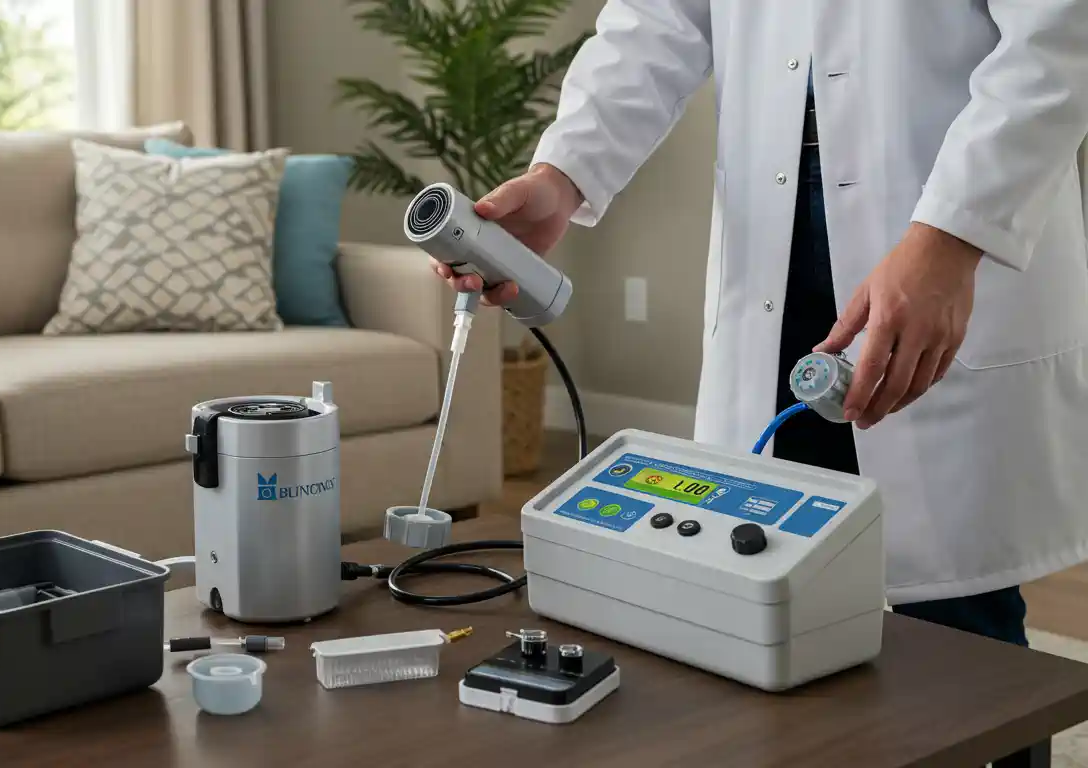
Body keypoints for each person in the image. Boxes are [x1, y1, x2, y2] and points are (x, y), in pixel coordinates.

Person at [434, 5, 1088, 764]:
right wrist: (564, 173)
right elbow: (656, 20)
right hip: (771, 235)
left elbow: (1058, 32)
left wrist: (951, 237)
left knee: (959, 616)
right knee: (767, 582)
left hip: (942, 211)